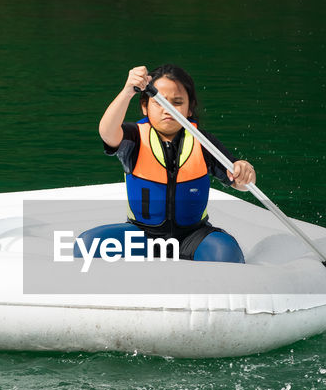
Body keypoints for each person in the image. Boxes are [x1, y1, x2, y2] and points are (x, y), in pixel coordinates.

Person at [78, 64, 256, 263]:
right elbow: (107, 133)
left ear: (189, 109)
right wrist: (128, 91)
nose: (168, 110)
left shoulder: (203, 142)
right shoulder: (133, 138)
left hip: (193, 237)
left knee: (226, 253)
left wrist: (245, 171)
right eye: (159, 102)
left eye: (177, 102)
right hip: (142, 236)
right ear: (145, 107)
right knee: (87, 244)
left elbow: (239, 182)